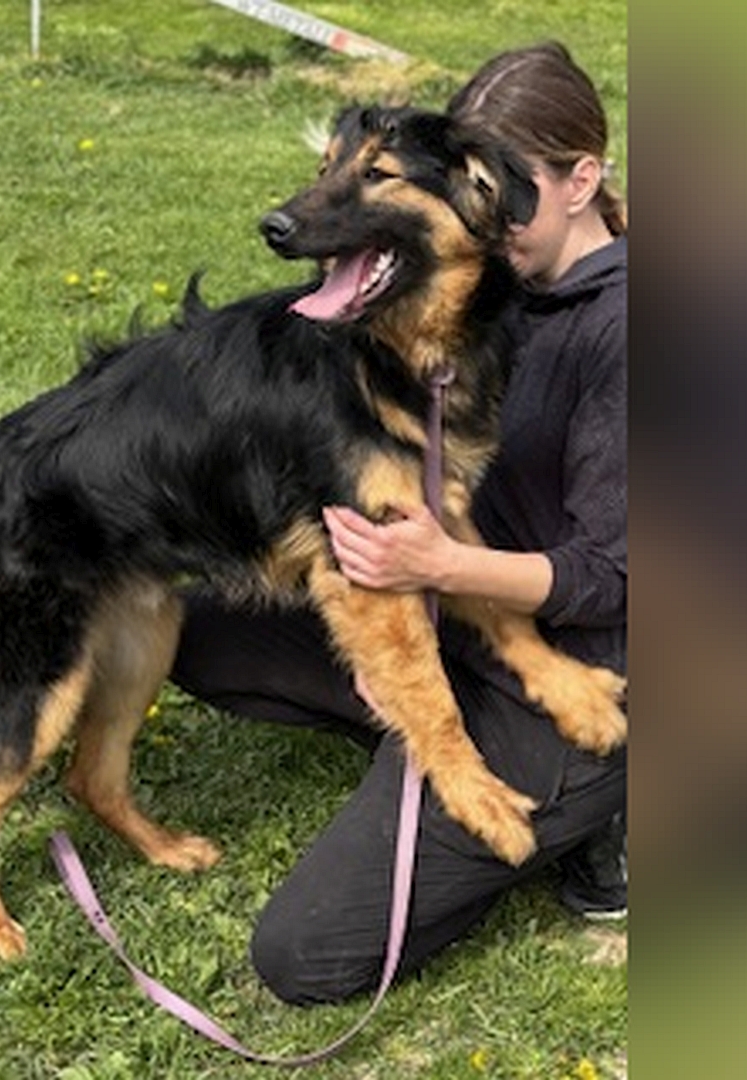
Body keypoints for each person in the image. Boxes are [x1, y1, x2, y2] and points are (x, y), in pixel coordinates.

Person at [170, 40, 627, 1006]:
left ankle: (603, 817)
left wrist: (439, 564)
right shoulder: (485, 296)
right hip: (455, 612)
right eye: (471, 187)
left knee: (304, 955)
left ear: (583, 180)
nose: (485, 214)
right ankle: (414, 726)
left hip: (593, 655)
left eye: (509, 190)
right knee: (202, 630)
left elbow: (619, 579)